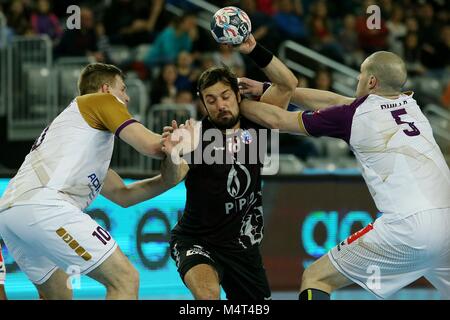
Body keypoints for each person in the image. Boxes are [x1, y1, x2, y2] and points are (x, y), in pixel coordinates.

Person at [238, 51, 450, 299]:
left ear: (371, 82)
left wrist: (233, 102)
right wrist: (267, 89)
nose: (358, 79)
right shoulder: (410, 105)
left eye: (361, 74)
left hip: (408, 227)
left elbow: (277, 120)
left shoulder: (355, 116)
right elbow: (335, 101)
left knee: (316, 277)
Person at [0, 63, 181, 300]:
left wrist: (170, 175)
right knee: (125, 279)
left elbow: (124, 195)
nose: (127, 97)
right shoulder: (102, 101)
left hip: (11, 214)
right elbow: (152, 146)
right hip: (44, 206)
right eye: (123, 89)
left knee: (59, 295)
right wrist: (181, 141)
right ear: (106, 89)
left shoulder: (78, 138)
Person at [161, 34, 298, 300]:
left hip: (242, 247)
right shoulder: (196, 136)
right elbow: (171, 178)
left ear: (238, 94)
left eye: (225, 96)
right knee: (208, 297)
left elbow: (288, 84)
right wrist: (171, 154)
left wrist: (254, 49)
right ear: (203, 104)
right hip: (196, 240)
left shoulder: (257, 122)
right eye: (211, 100)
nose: (220, 105)